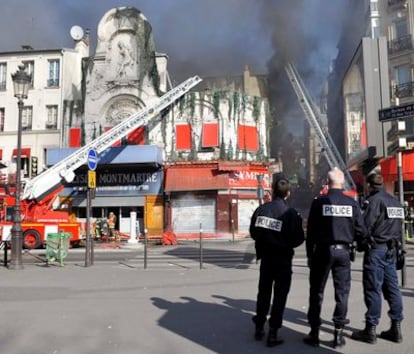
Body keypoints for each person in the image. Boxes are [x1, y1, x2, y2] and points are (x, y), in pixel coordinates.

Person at [304, 167, 368, 348]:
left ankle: (314, 333)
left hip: (322, 252)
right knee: (342, 293)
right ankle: (338, 333)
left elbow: (311, 232)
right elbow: (361, 230)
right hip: (343, 253)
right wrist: (361, 244)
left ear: (327, 181)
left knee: (316, 291)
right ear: (342, 183)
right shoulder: (351, 203)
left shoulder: (319, 202)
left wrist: (309, 255)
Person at [249, 178, 305, 347]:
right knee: (280, 296)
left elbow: (253, 232)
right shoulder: (291, 214)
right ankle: (273, 332)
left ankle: (259, 326)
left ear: (272, 192)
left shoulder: (261, 210)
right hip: (283, 260)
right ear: (288, 193)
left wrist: (265, 240)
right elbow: (298, 239)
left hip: (266, 258)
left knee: (263, 292)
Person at [351, 172, 404, 344]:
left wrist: (360, 243)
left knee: (373, 288)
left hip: (377, 251)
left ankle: (370, 329)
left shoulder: (373, 201)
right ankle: (396, 328)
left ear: (369, 185)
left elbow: (364, 227)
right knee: (393, 289)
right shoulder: (395, 202)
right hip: (392, 251)